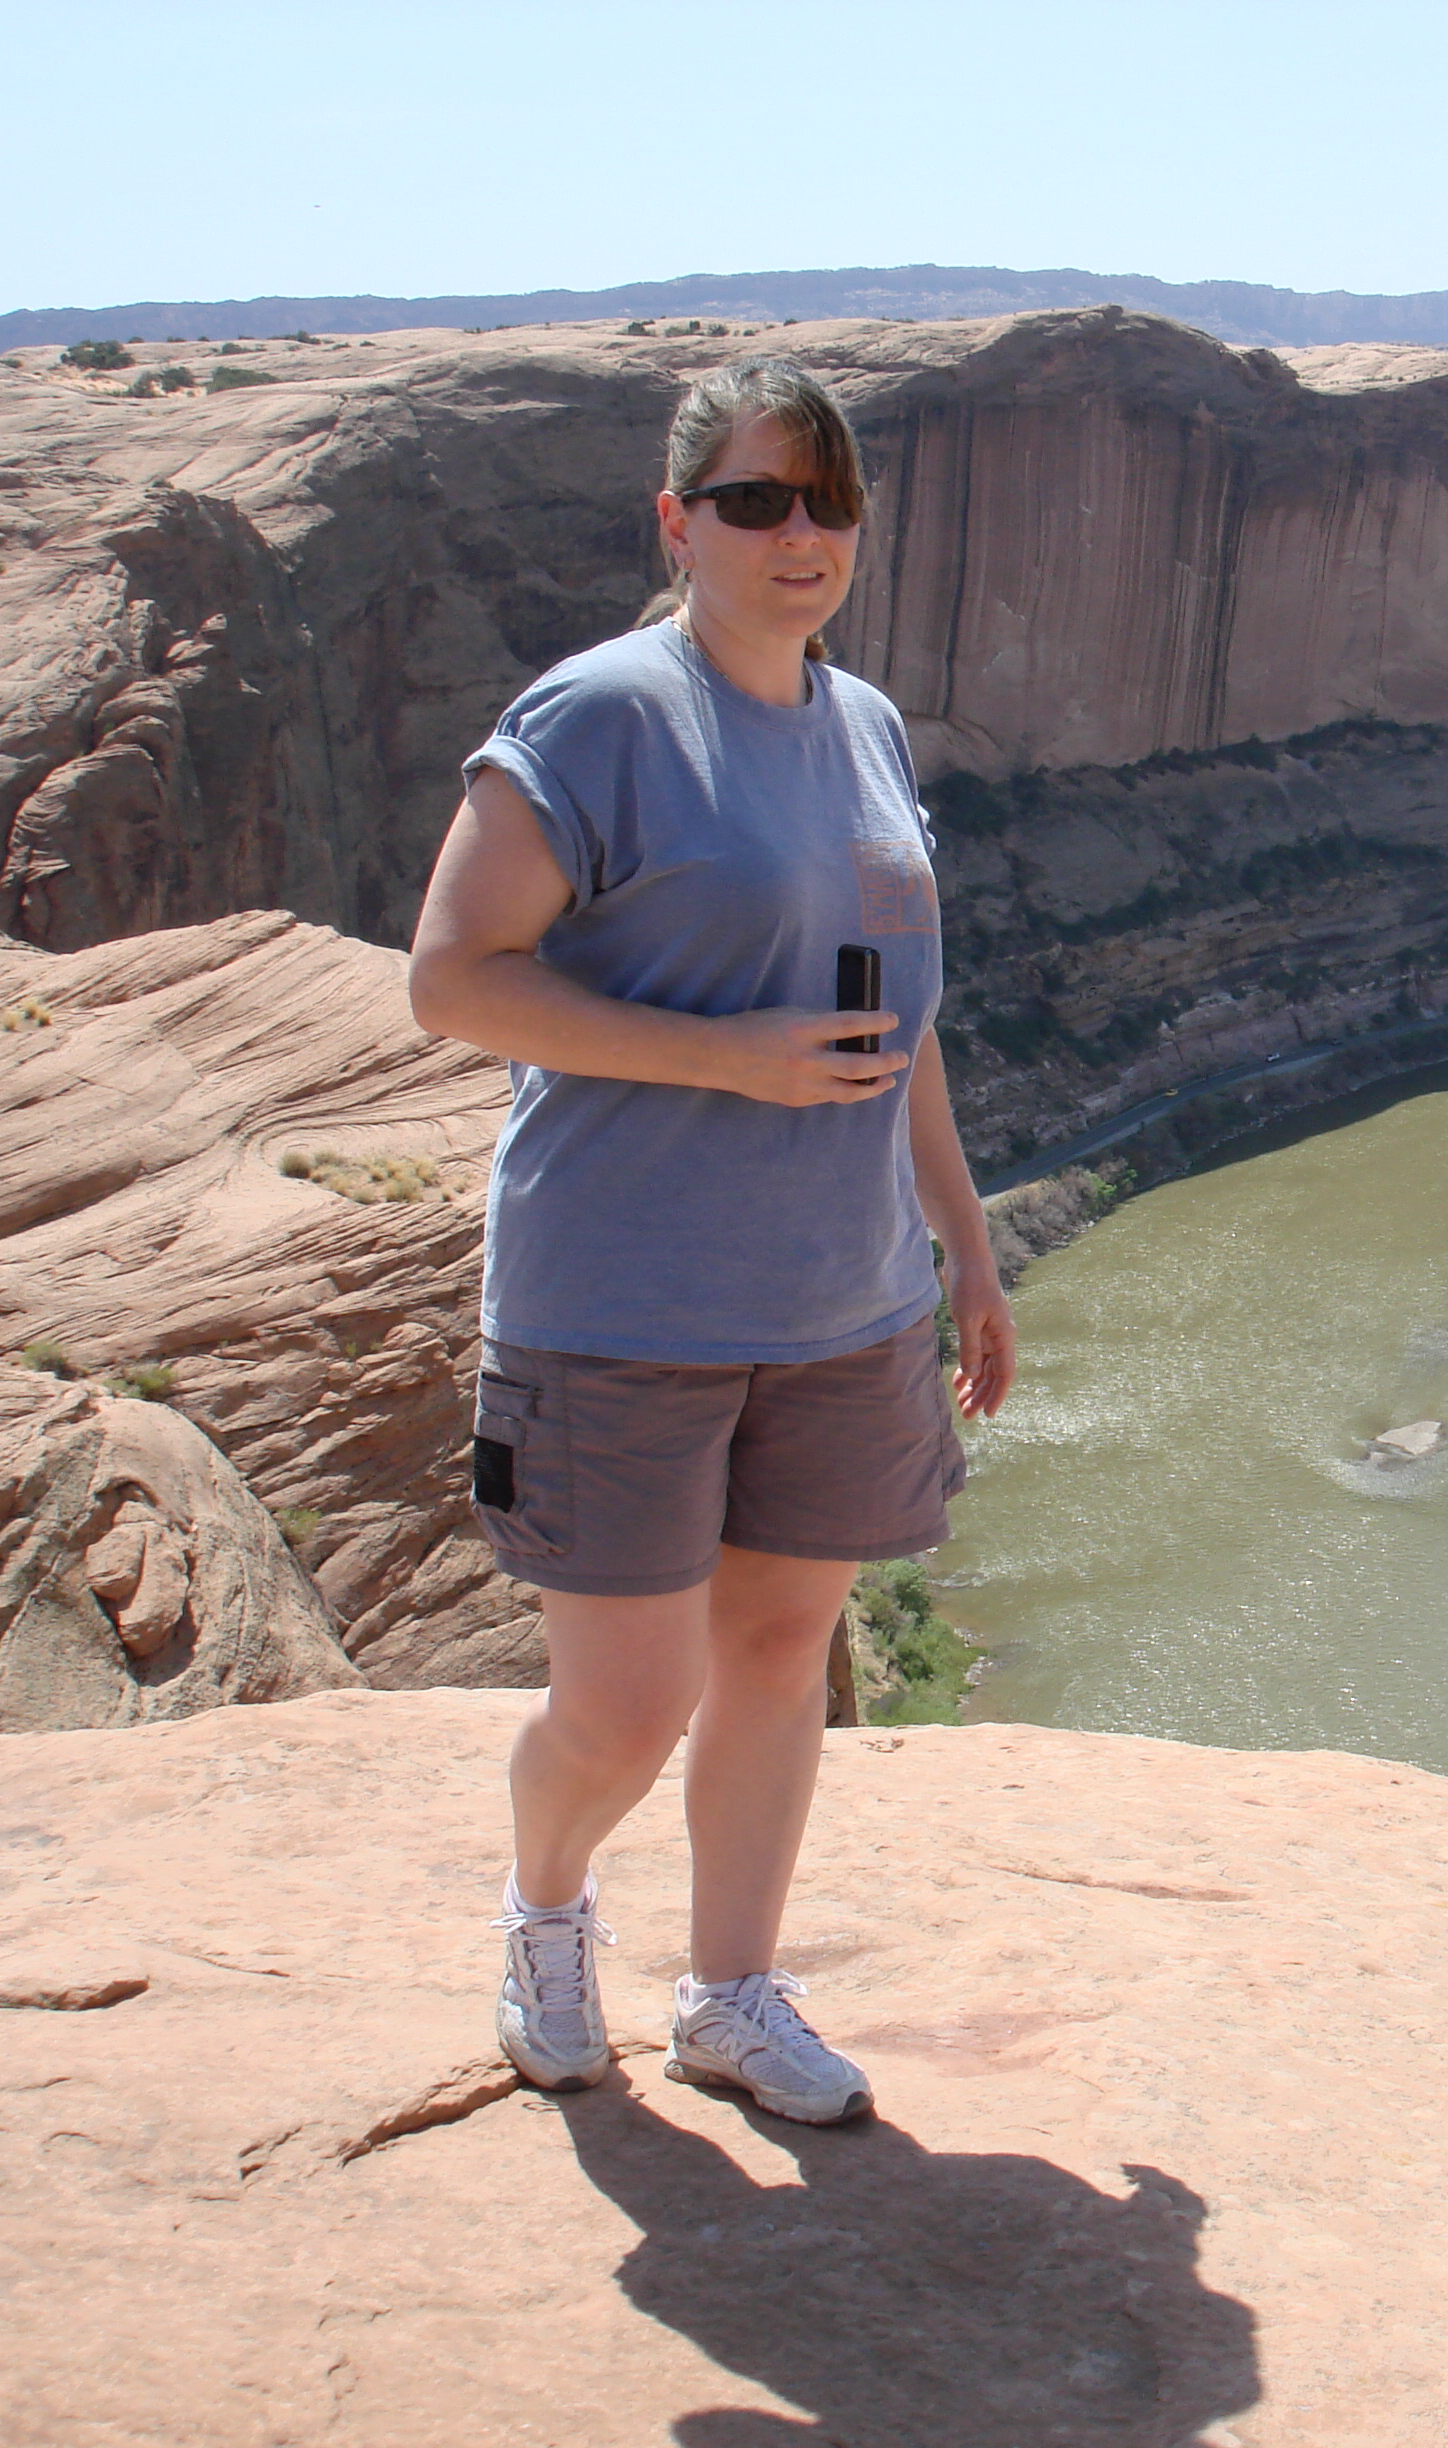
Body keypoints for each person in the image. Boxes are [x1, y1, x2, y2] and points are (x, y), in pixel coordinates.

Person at [408, 358, 1014, 2125]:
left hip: (840, 1301)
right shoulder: (602, 717)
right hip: (623, 1296)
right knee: (622, 1706)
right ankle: (544, 1911)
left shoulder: (866, 726)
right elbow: (453, 980)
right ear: (678, 522)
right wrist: (722, 1057)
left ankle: (731, 1997)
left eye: (829, 503)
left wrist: (965, 1244)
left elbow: (898, 1017)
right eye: (756, 502)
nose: (798, 536)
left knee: (776, 1655)